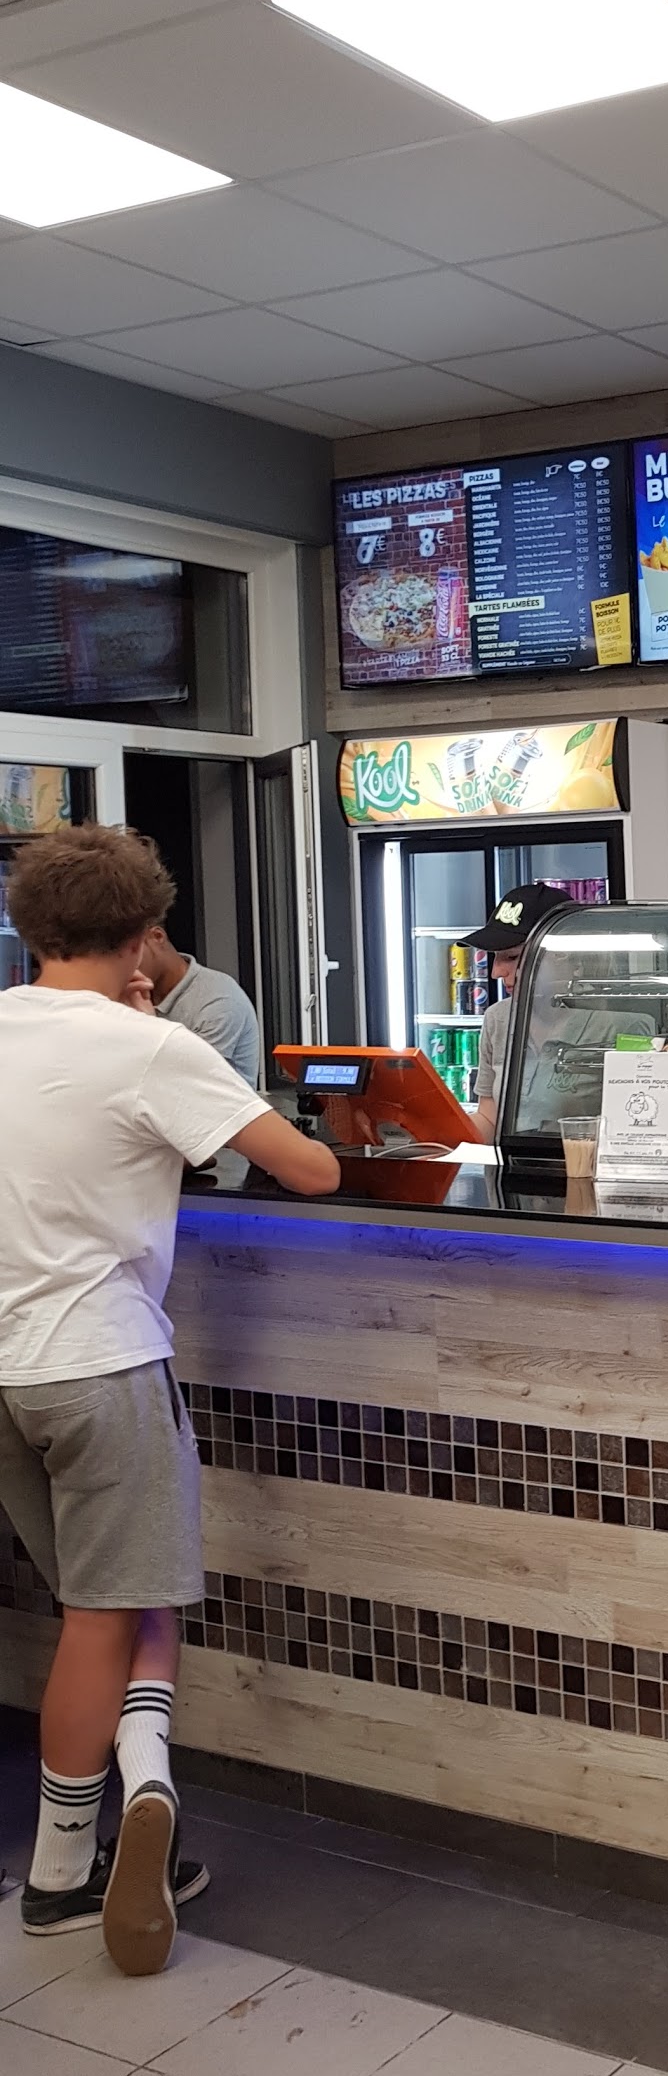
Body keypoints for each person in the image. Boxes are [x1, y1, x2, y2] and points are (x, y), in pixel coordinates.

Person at [0, 826, 340, 1975]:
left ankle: (146, 1794)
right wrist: (164, 1052)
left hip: (7, 1373)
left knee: (120, 1597)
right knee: (109, 1613)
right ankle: (63, 1871)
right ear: (147, 931)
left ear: (29, 926)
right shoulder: (152, 1047)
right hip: (100, 1362)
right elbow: (312, 1169)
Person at [462, 882, 577, 1142]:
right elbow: (490, 1119)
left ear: (563, 954)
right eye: (495, 957)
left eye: (512, 957)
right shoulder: (498, 1018)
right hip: (512, 1166)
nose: (496, 972)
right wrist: (431, 1129)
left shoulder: (615, 1022)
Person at [140, 922, 262, 1088]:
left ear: (157, 937)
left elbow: (189, 1086)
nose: (122, 965)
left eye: (131, 950)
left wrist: (144, 1025)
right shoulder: (131, 992)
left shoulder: (219, 1000)